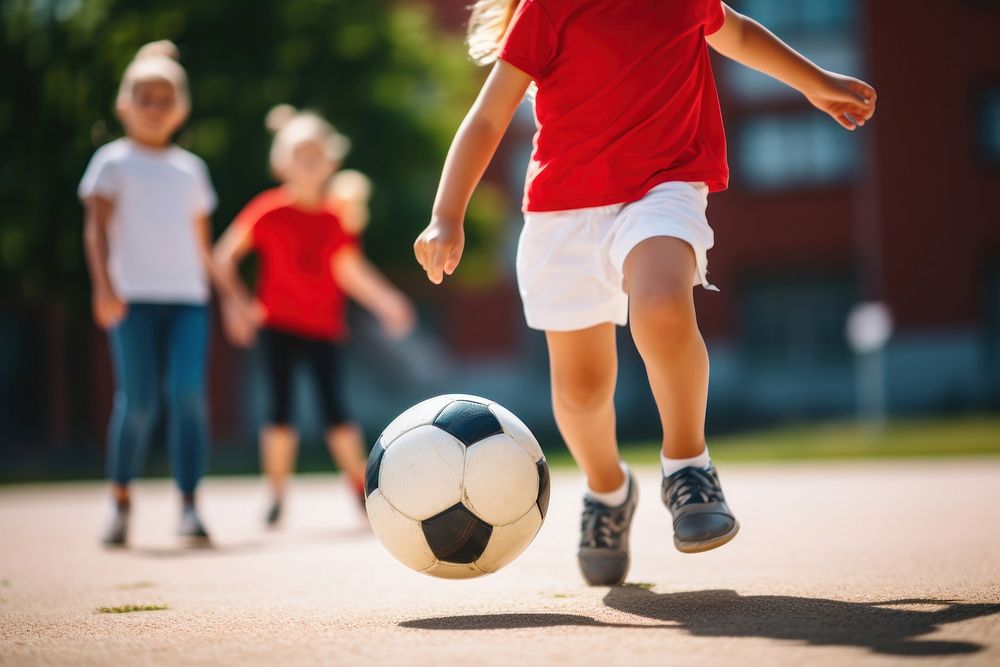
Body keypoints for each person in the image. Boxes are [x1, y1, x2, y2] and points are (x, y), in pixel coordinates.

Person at [414, 0, 876, 585]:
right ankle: (608, 491)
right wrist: (446, 213)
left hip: (663, 186)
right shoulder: (546, 10)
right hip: (563, 211)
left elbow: (739, 36)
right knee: (581, 392)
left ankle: (688, 467)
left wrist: (817, 83)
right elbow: (488, 116)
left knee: (660, 305)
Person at [213, 105, 414, 527]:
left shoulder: (334, 218)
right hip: (277, 326)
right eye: (299, 155)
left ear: (330, 162)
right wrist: (236, 304)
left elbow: (350, 271)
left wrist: (388, 301)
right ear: (281, 162)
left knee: (336, 413)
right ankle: (275, 494)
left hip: (323, 328)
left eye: (315, 155)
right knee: (279, 413)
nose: (307, 163)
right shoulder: (268, 210)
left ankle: (358, 490)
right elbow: (223, 257)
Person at [80, 40, 221, 547]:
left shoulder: (191, 170)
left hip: (188, 301)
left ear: (179, 107)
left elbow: (204, 248)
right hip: (131, 300)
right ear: (125, 103)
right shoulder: (110, 163)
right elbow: (95, 231)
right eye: (146, 97)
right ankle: (120, 501)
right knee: (137, 402)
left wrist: (238, 299)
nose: (156, 108)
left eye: (166, 99)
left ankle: (189, 506)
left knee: (187, 395)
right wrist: (103, 285)